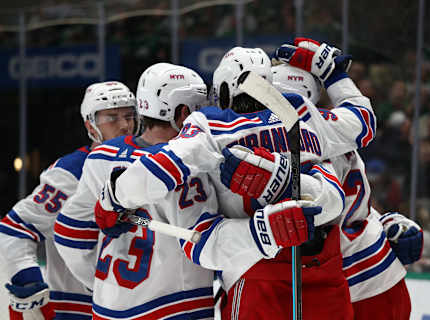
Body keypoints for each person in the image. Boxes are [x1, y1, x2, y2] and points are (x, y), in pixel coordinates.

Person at [94, 43, 376, 319]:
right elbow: (363, 122)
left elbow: (162, 179)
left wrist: (114, 196)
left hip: (255, 274)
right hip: (326, 272)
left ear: (223, 89)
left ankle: (281, 186)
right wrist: (334, 75)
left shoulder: (211, 127)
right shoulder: (303, 114)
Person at [54, 63, 220, 319]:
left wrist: (99, 282)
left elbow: (68, 232)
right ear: (184, 111)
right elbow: (214, 244)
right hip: (176, 307)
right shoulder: (195, 164)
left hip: (108, 308)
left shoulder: (101, 156)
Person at [271, 44, 423, 320]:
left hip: (326, 289)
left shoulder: (269, 142)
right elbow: (353, 204)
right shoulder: (337, 129)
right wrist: (335, 75)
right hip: (379, 273)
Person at [0, 81, 138, 319]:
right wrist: (27, 276)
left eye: (129, 116)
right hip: (78, 307)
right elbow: (16, 227)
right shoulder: (72, 171)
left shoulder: (146, 163)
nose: (125, 125)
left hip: (136, 303)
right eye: (112, 118)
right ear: (91, 125)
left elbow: (142, 222)